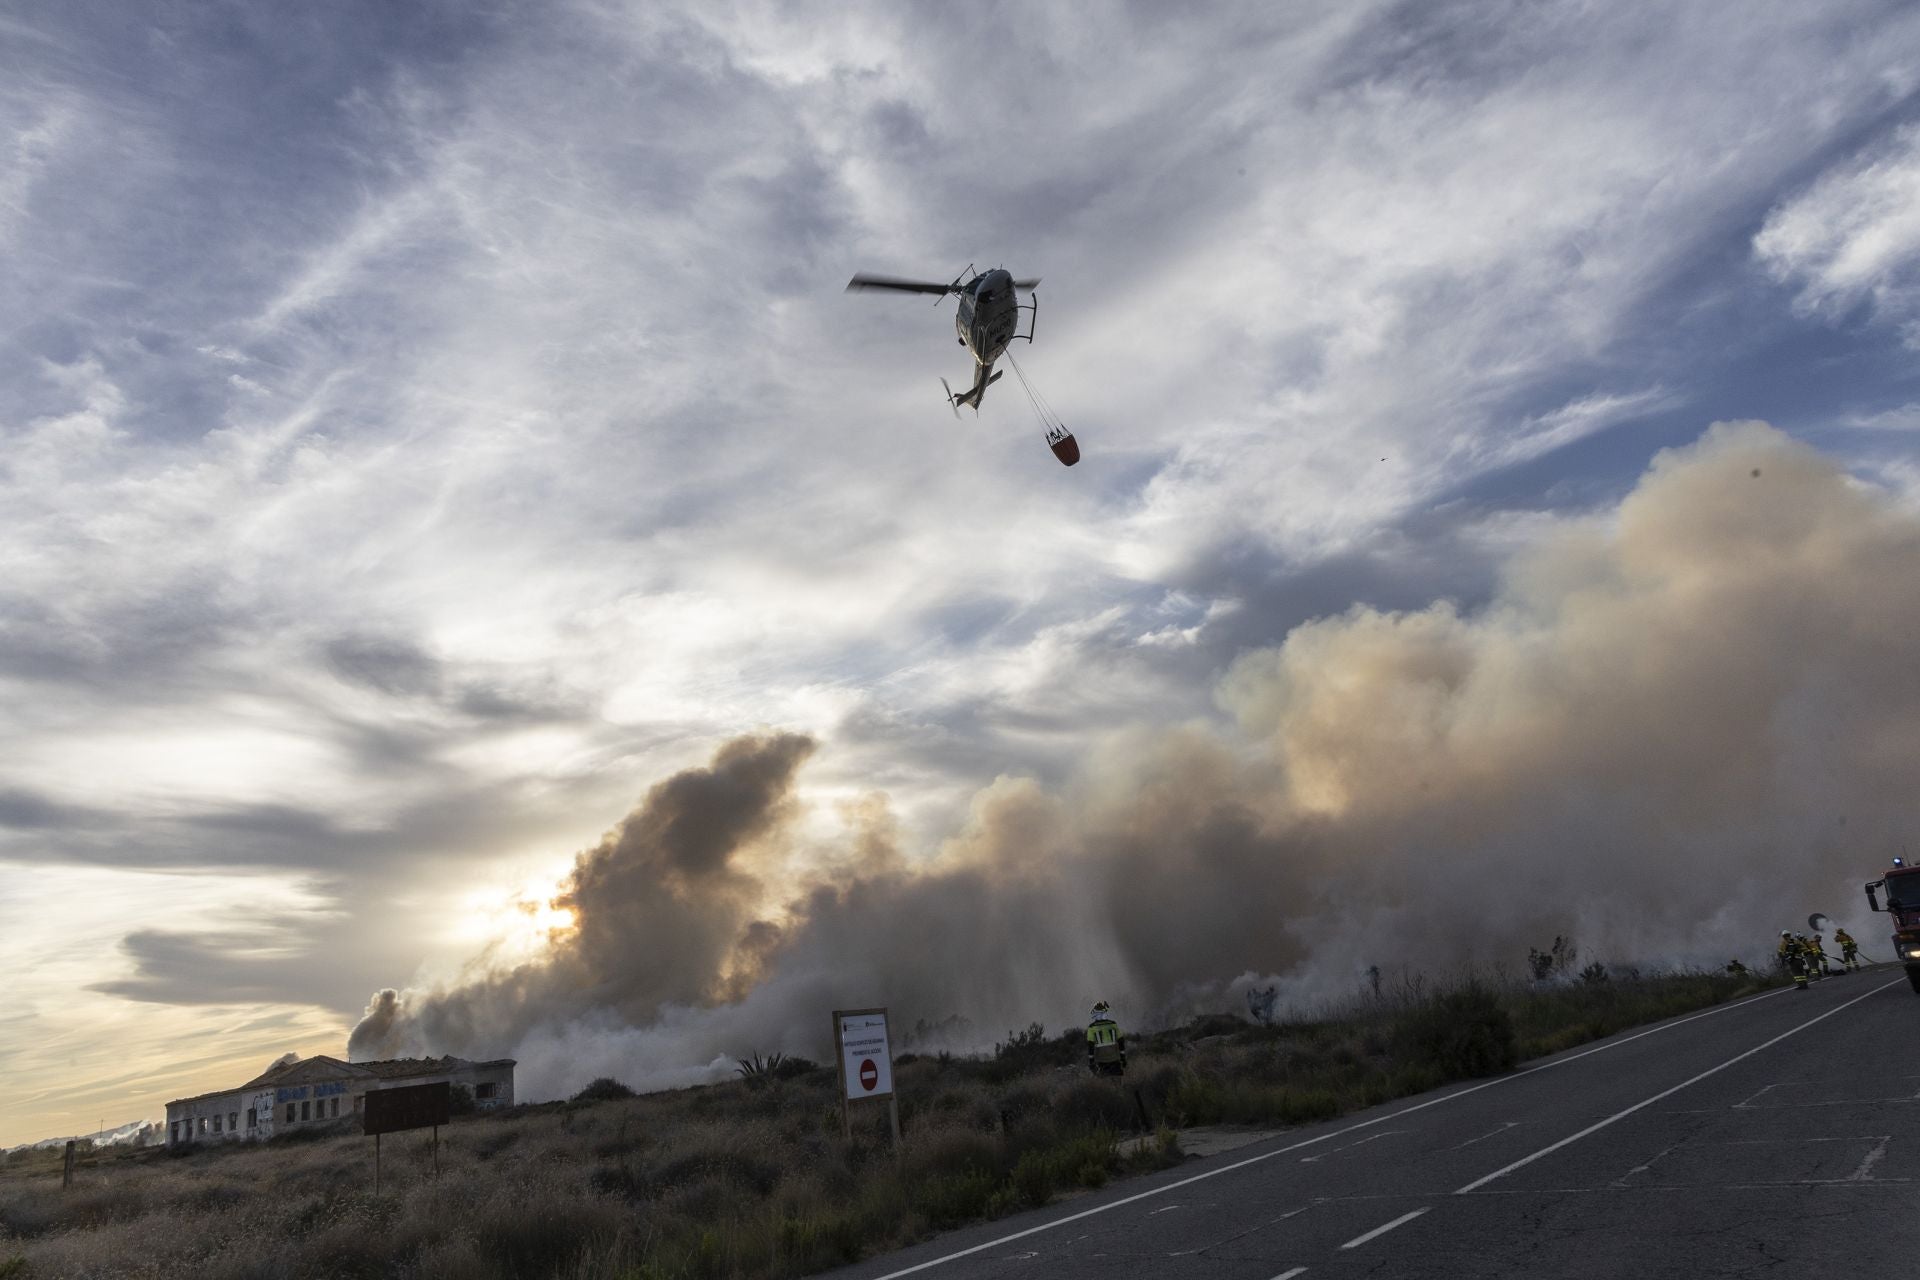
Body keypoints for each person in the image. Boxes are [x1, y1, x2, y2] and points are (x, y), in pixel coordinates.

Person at [1086, 1001, 1126, 1077]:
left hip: (1101, 1060)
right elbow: (1121, 1041)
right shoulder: (1113, 1024)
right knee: (1117, 1082)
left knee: (1104, 1082)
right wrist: (1123, 1058)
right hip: (1115, 1059)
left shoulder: (1091, 1027)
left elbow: (1090, 1046)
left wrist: (1091, 1062)